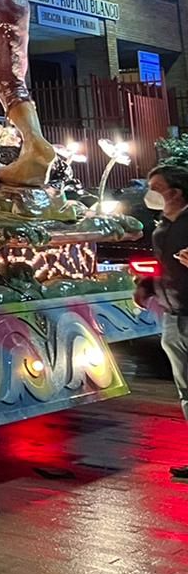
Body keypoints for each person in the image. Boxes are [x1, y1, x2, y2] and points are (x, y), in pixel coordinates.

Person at [135, 164, 188, 479]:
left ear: (176, 192)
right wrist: (145, 286)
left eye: (155, 186)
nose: (149, 193)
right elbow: (161, 268)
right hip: (172, 320)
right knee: (185, 391)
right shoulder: (161, 229)